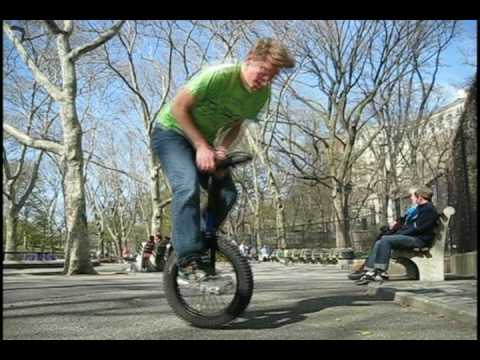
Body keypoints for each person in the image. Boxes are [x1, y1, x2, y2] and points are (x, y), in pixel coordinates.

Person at [151, 38, 295, 281]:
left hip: (205, 142)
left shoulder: (260, 95)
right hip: (171, 133)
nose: (266, 81)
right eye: (263, 73)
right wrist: (200, 146)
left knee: (227, 193)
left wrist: (221, 148)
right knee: (186, 187)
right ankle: (186, 259)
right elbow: (178, 108)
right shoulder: (218, 76)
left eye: (272, 77)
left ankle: (201, 242)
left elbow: (236, 125)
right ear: (250, 59)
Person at [355, 187, 439, 285]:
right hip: (413, 237)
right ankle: (369, 271)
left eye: (416, 197)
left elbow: (417, 228)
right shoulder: (422, 208)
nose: (414, 199)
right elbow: (410, 226)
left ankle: (380, 271)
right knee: (379, 242)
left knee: (386, 239)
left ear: (420, 197)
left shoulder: (429, 210)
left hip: (419, 240)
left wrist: (399, 234)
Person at [348, 188, 419, 280]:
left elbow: (412, 226)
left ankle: (377, 270)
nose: (411, 198)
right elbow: (403, 221)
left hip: (411, 238)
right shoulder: (413, 209)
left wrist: (397, 228)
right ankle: (368, 269)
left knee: (383, 239)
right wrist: (394, 225)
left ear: (419, 197)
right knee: (380, 239)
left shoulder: (420, 209)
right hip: (403, 233)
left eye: (413, 195)